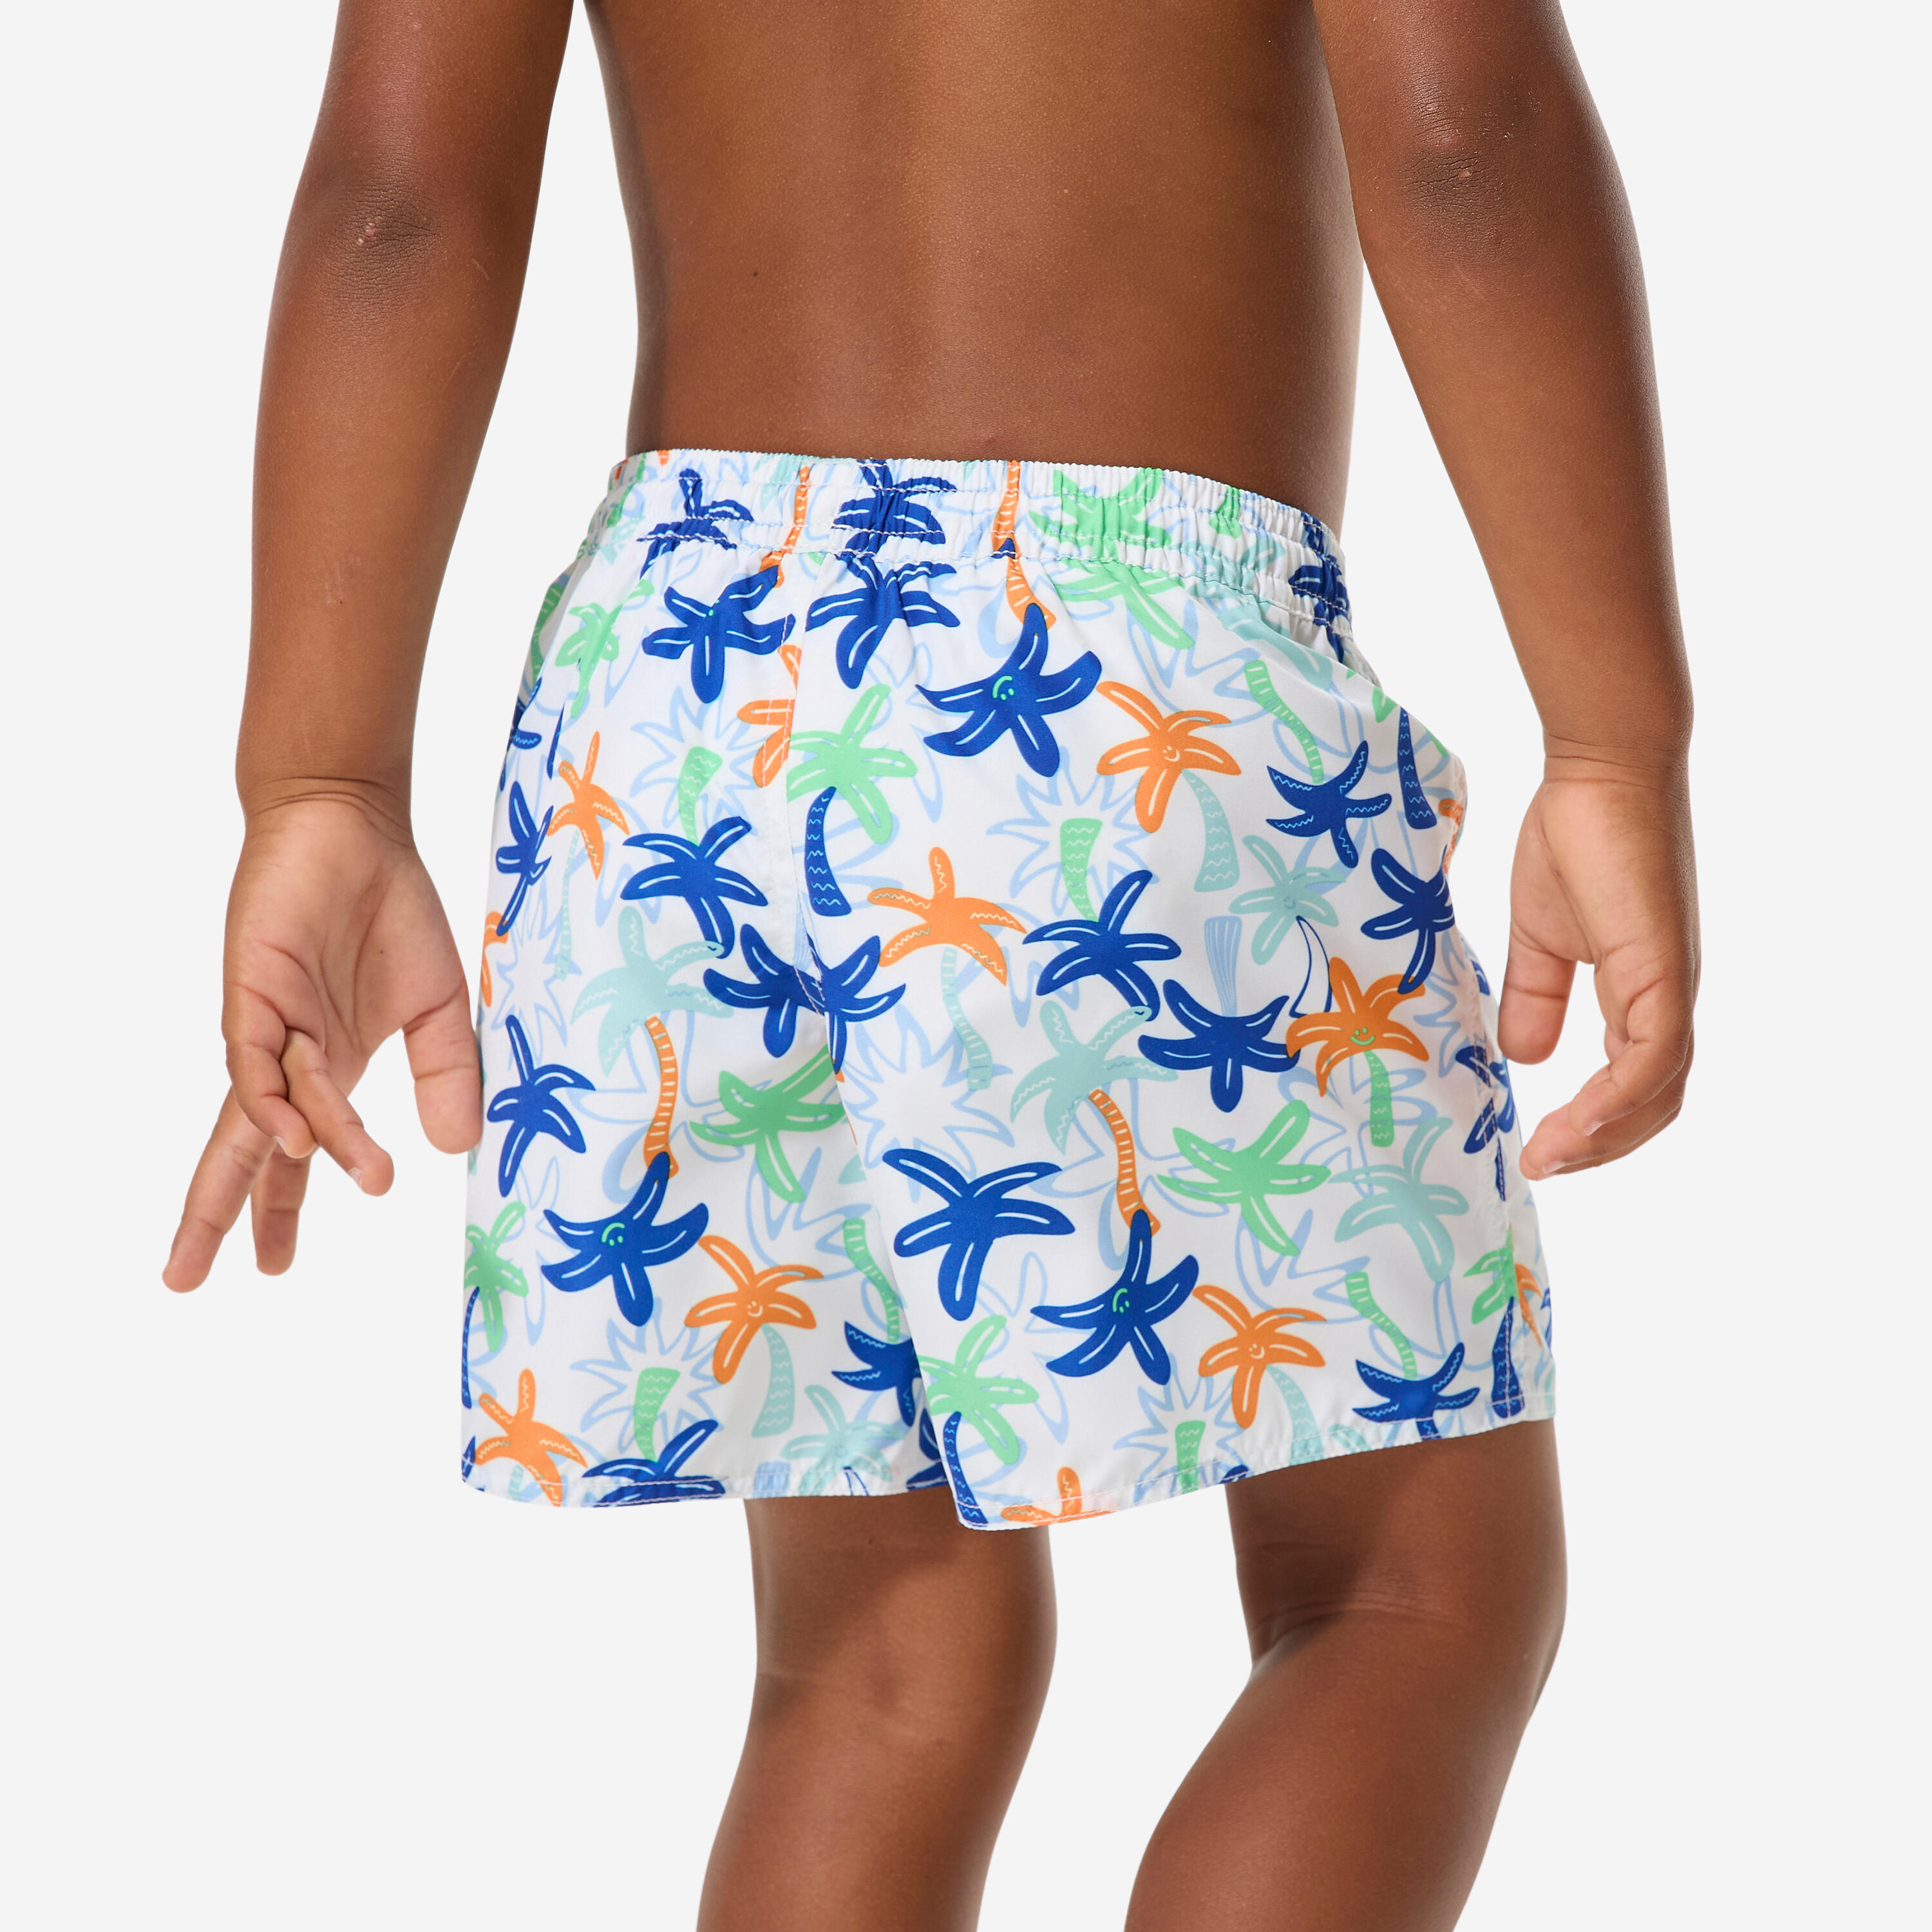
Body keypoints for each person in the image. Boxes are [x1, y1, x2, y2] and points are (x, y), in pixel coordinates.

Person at [162, 1, 1698, 1925]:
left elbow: (398, 202)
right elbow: (1468, 141)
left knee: (875, 1676)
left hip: (683, 707)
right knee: (1408, 1599)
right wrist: (1616, 739)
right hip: (1123, 682)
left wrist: (317, 779)